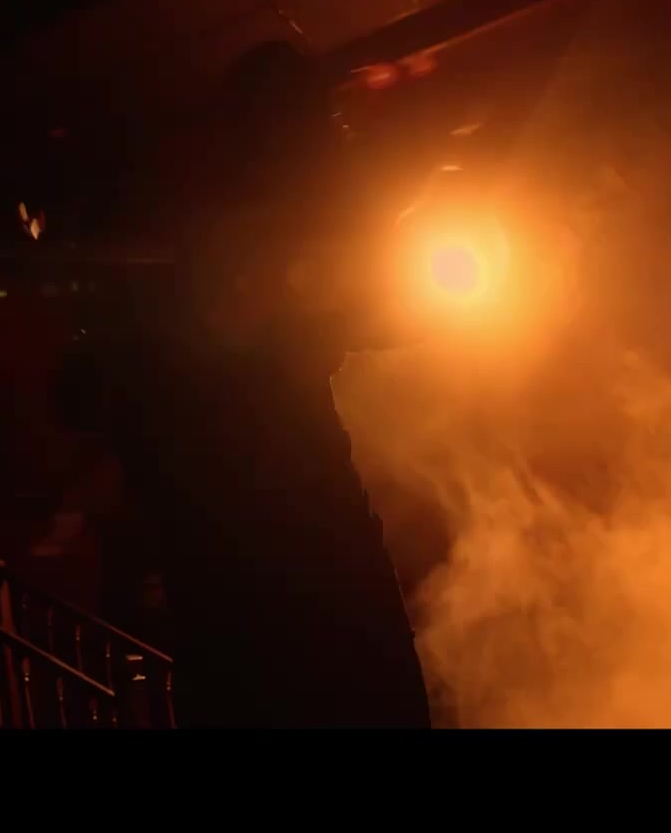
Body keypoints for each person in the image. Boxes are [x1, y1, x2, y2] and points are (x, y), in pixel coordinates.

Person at [66, 41, 432, 728]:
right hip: (283, 505)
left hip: (229, 519)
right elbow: (366, 307)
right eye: (321, 121)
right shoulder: (252, 221)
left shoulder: (199, 216)